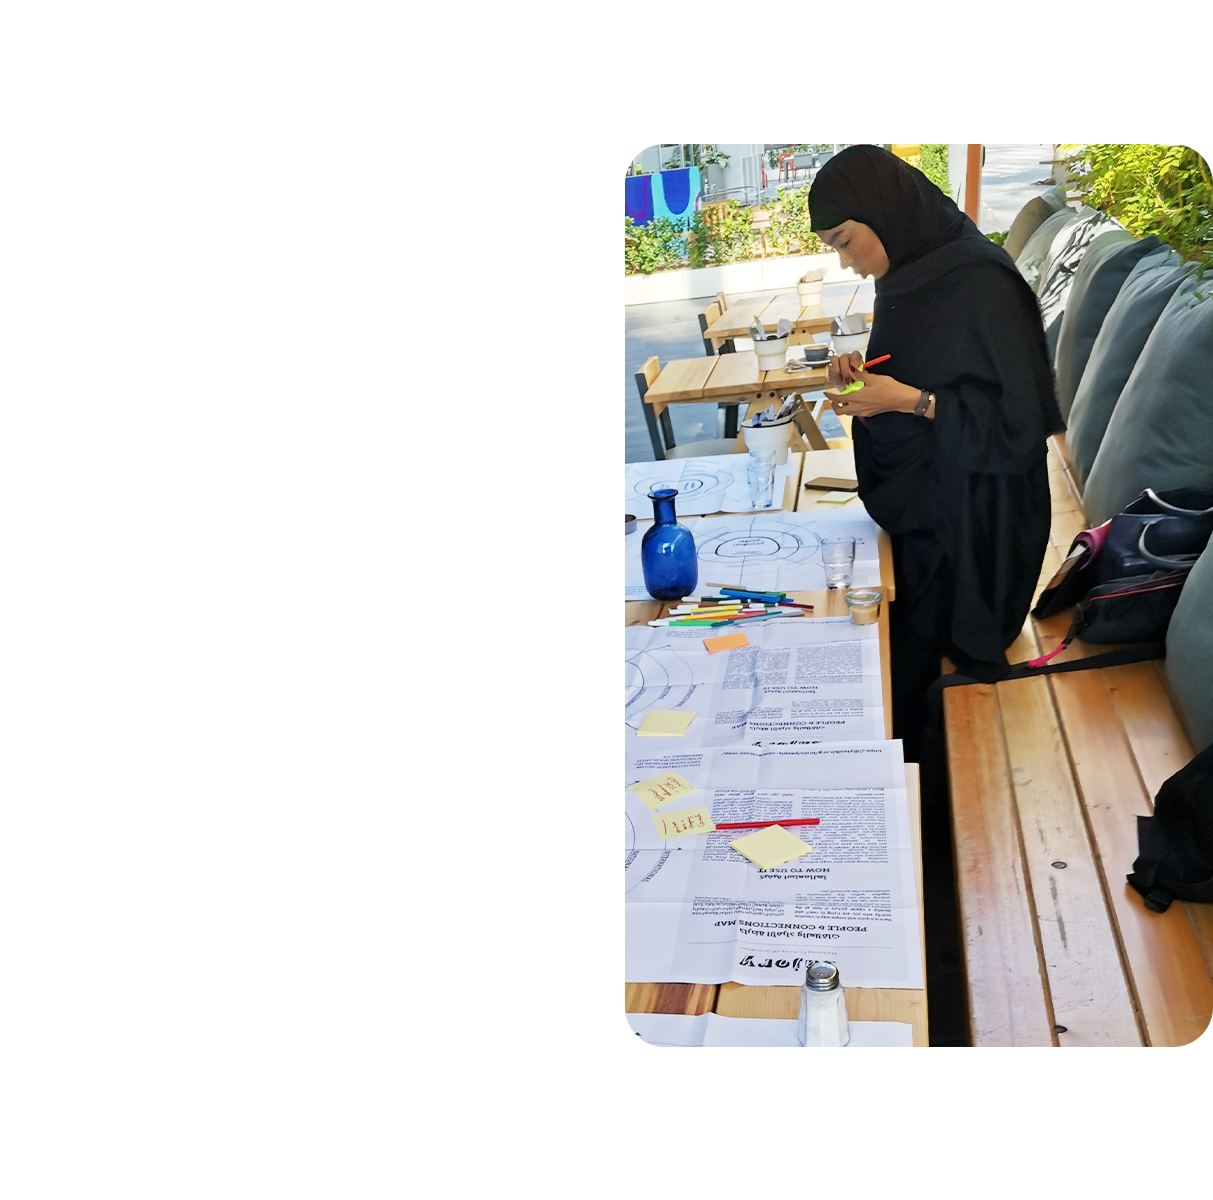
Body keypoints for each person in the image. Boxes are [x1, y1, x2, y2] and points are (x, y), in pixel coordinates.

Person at [808, 145, 1065, 762]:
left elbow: (1020, 429)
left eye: (846, 242)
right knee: (855, 618)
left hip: (987, 525)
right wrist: (866, 383)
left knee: (887, 639)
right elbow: (916, 375)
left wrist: (913, 403)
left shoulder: (983, 281)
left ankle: (916, 789)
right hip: (937, 495)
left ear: (885, 211)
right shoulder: (907, 275)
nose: (847, 264)